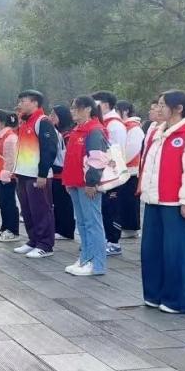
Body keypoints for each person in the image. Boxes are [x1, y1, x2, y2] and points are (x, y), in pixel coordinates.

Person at [139, 90, 185, 313]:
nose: (158, 109)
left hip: (175, 203)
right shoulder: (158, 132)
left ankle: (182, 300)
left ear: (178, 108)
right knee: (152, 250)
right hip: (154, 200)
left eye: (163, 105)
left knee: (176, 251)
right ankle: (155, 293)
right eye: (158, 104)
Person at [62, 96, 110, 276]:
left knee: (92, 223)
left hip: (87, 184)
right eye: (72, 108)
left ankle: (97, 264)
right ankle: (85, 258)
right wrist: (68, 181)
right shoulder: (77, 129)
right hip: (75, 182)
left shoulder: (95, 130)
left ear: (88, 109)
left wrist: (92, 182)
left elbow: (97, 159)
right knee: (82, 222)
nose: (73, 111)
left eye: (77, 108)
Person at [11, 91, 59, 257]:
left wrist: (42, 173)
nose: (20, 104)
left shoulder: (42, 121)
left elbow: (49, 149)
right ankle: (33, 240)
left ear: (34, 102)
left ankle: (45, 244)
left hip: (37, 175)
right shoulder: (25, 122)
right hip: (23, 173)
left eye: (23, 101)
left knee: (41, 210)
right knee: (27, 210)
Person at [92, 91, 128, 256]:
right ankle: (104, 239)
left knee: (112, 209)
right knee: (103, 208)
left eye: (95, 103)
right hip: (103, 172)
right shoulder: (103, 122)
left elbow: (116, 151)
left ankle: (113, 242)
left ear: (105, 105)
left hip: (112, 173)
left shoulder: (114, 125)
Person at [0, 110, 20, 242]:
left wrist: (8, 173)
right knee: (1, 202)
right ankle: (4, 227)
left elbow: (11, 158)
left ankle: (13, 230)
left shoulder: (9, 137)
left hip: (6, 175)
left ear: (0, 121)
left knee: (8, 202)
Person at [117, 100, 145, 240]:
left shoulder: (134, 128)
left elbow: (132, 150)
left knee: (129, 201)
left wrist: (119, 162)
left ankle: (131, 228)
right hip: (122, 169)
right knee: (123, 200)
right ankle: (124, 226)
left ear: (126, 111)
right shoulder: (123, 126)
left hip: (131, 170)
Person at [49, 105, 76, 241]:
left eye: (54, 115)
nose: (50, 117)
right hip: (56, 174)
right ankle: (58, 228)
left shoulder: (67, 135)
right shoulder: (57, 132)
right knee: (57, 203)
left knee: (64, 203)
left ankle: (66, 231)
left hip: (63, 174)